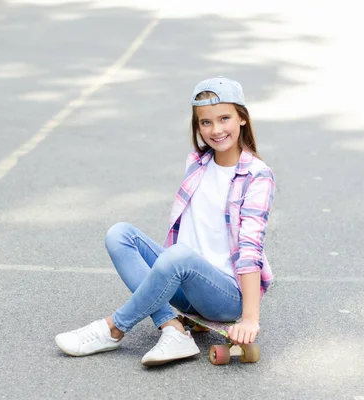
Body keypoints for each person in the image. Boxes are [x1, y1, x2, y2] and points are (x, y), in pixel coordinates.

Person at [55, 76, 276, 367]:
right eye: (205, 122)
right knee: (119, 234)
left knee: (179, 256)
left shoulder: (257, 176)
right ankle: (173, 331)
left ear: (243, 119)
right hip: (183, 281)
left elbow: (250, 249)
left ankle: (113, 328)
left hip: (224, 295)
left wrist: (249, 318)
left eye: (225, 118)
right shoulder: (197, 163)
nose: (216, 129)